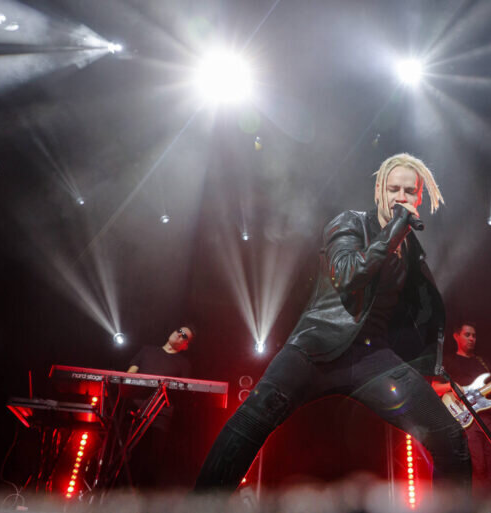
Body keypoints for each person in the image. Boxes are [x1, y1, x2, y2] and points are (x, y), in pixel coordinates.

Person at [195, 153, 471, 492]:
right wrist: (395, 232)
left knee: (449, 437)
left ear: (419, 197)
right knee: (250, 422)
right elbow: (347, 274)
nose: (401, 197)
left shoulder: (412, 250)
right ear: (379, 192)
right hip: (318, 347)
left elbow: (419, 315)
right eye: (393, 189)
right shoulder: (349, 223)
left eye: (409, 191)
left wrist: (430, 366)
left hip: (372, 359)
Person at [431, 322, 491, 494]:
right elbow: (434, 388)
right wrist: (451, 387)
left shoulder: (483, 362)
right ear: (456, 336)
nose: (472, 339)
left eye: (474, 335)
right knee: (477, 470)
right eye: (467, 335)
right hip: (467, 422)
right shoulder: (448, 361)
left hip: (490, 420)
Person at [126, 326, 194, 489]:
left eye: (184, 335)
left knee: (150, 462)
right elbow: (128, 377)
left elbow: (185, 392)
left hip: (160, 417)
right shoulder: (147, 350)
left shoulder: (183, 363)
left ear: (186, 345)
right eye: (179, 330)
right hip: (135, 412)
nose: (179, 334)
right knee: (128, 458)